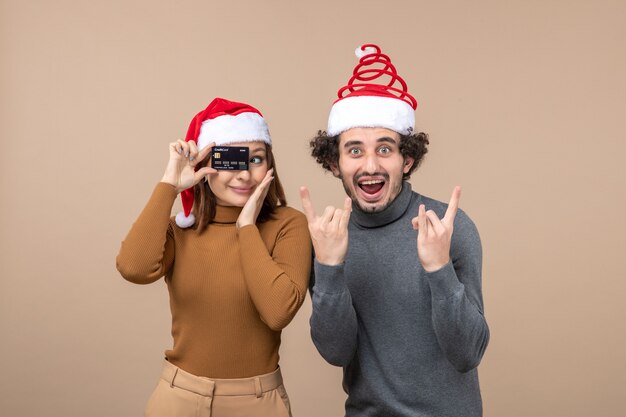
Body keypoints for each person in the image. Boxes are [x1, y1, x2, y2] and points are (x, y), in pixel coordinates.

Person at [301, 44, 490, 417]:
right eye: (354, 151)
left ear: (407, 159)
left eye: (384, 149)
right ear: (334, 163)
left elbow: (468, 354)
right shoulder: (328, 239)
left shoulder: (450, 227)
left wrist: (439, 269)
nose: (370, 165)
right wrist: (328, 267)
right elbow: (335, 351)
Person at [116, 98, 311, 417]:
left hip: (258, 403)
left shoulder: (288, 225)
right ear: (205, 166)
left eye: (256, 159)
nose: (245, 174)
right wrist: (170, 184)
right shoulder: (182, 229)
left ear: (269, 164)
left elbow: (278, 311)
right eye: (229, 160)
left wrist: (246, 226)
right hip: (177, 399)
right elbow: (133, 267)